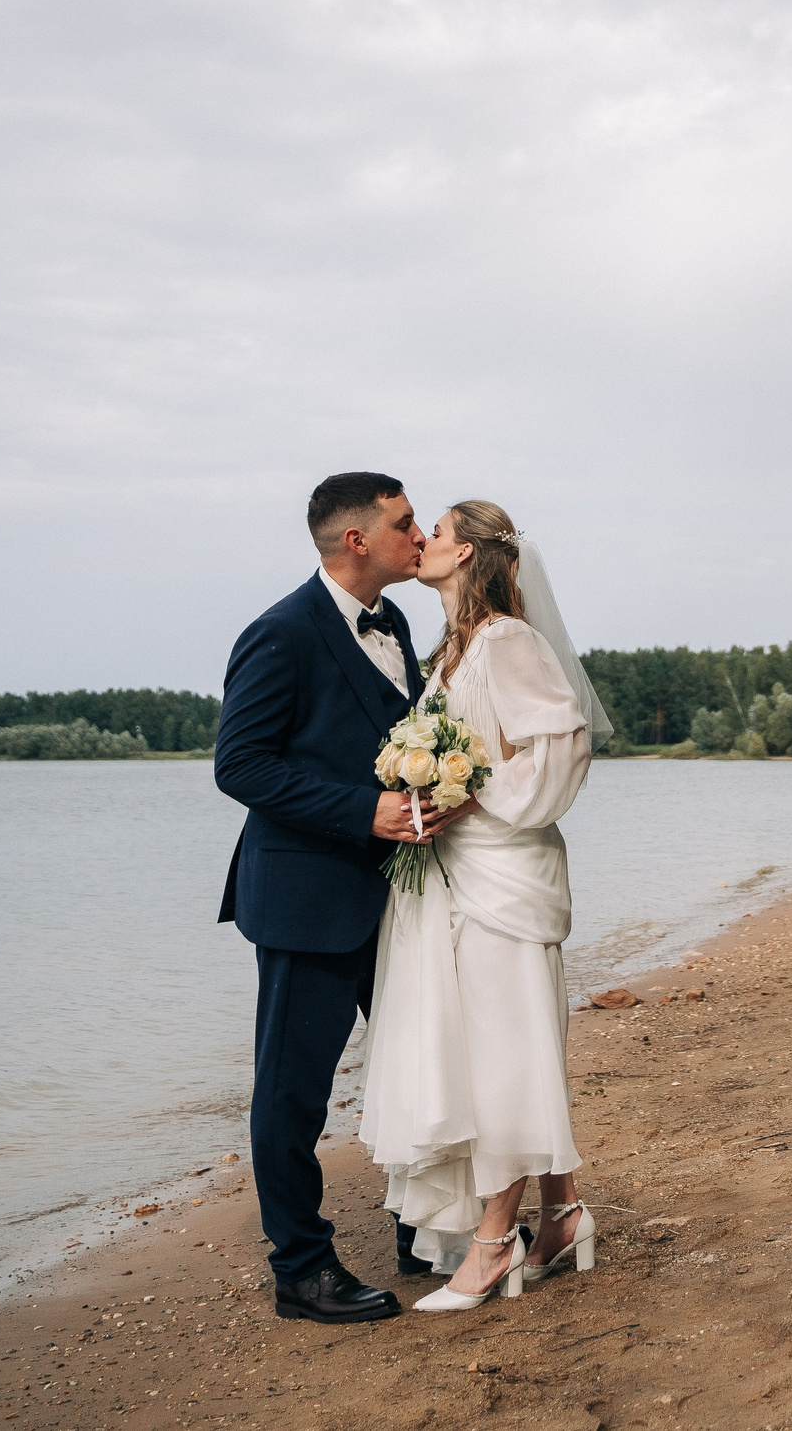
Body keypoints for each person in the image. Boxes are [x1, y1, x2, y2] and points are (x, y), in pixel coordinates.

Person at [356, 498, 612, 1311]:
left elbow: (563, 746)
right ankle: (562, 1213)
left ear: (466, 554)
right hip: (456, 873)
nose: (423, 541)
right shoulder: (452, 650)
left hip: (502, 871)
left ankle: (495, 1243)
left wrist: (470, 794)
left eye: (436, 531)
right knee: (506, 1048)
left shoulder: (507, 639)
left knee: (506, 1056)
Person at [213, 472, 444, 1324]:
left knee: (413, 1069)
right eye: (405, 521)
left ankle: (422, 1232)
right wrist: (365, 810)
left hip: (399, 898)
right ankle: (301, 1271)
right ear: (358, 540)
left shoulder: (399, 623)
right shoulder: (279, 633)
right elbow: (239, 766)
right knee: (292, 1093)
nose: (418, 535)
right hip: (308, 901)